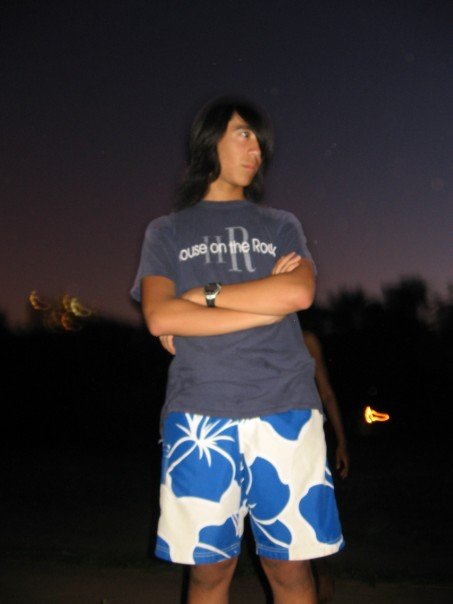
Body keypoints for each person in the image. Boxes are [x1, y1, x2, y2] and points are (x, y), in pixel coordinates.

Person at [131, 97, 344, 604]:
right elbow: (161, 317)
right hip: (199, 416)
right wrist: (264, 305)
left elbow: (298, 293)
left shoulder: (281, 225)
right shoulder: (167, 230)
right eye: (244, 134)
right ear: (210, 141)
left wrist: (201, 296)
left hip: (286, 409)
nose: (257, 151)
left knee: (291, 573)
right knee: (208, 575)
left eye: (260, 142)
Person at [302, 330, 349, 602]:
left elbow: (327, 392)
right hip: (264, 431)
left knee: (311, 511)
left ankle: (322, 572)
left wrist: (342, 442)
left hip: (306, 433)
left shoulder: (306, 339)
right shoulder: (254, 327)